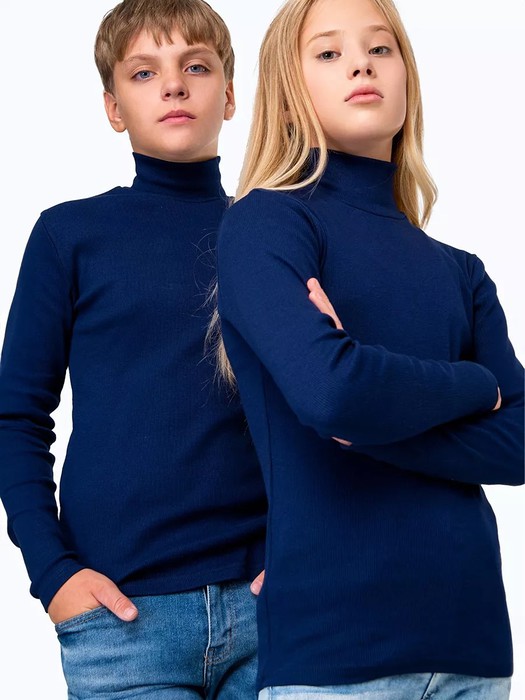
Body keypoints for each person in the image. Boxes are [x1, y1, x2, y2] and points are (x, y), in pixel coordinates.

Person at [214, 0, 524, 698]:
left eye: (380, 48)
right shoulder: (265, 225)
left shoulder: (460, 268)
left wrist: (367, 421)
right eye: (328, 53)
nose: (360, 64)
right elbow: (334, 392)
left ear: (406, 74)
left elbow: (520, 444)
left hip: (472, 646)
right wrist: (477, 386)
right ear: (289, 88)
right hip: (337, 654)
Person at [0, 0, 266, 697]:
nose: (173, 85)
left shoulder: (270, 234)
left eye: (196, 67)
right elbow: (16, 417)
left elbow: (320, 409)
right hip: (123, 621)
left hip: (269, 609)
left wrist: (303, 553)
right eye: (144, 72)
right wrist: (53, 573)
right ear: (113, 108)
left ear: (229, 95)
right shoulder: (69, 236)